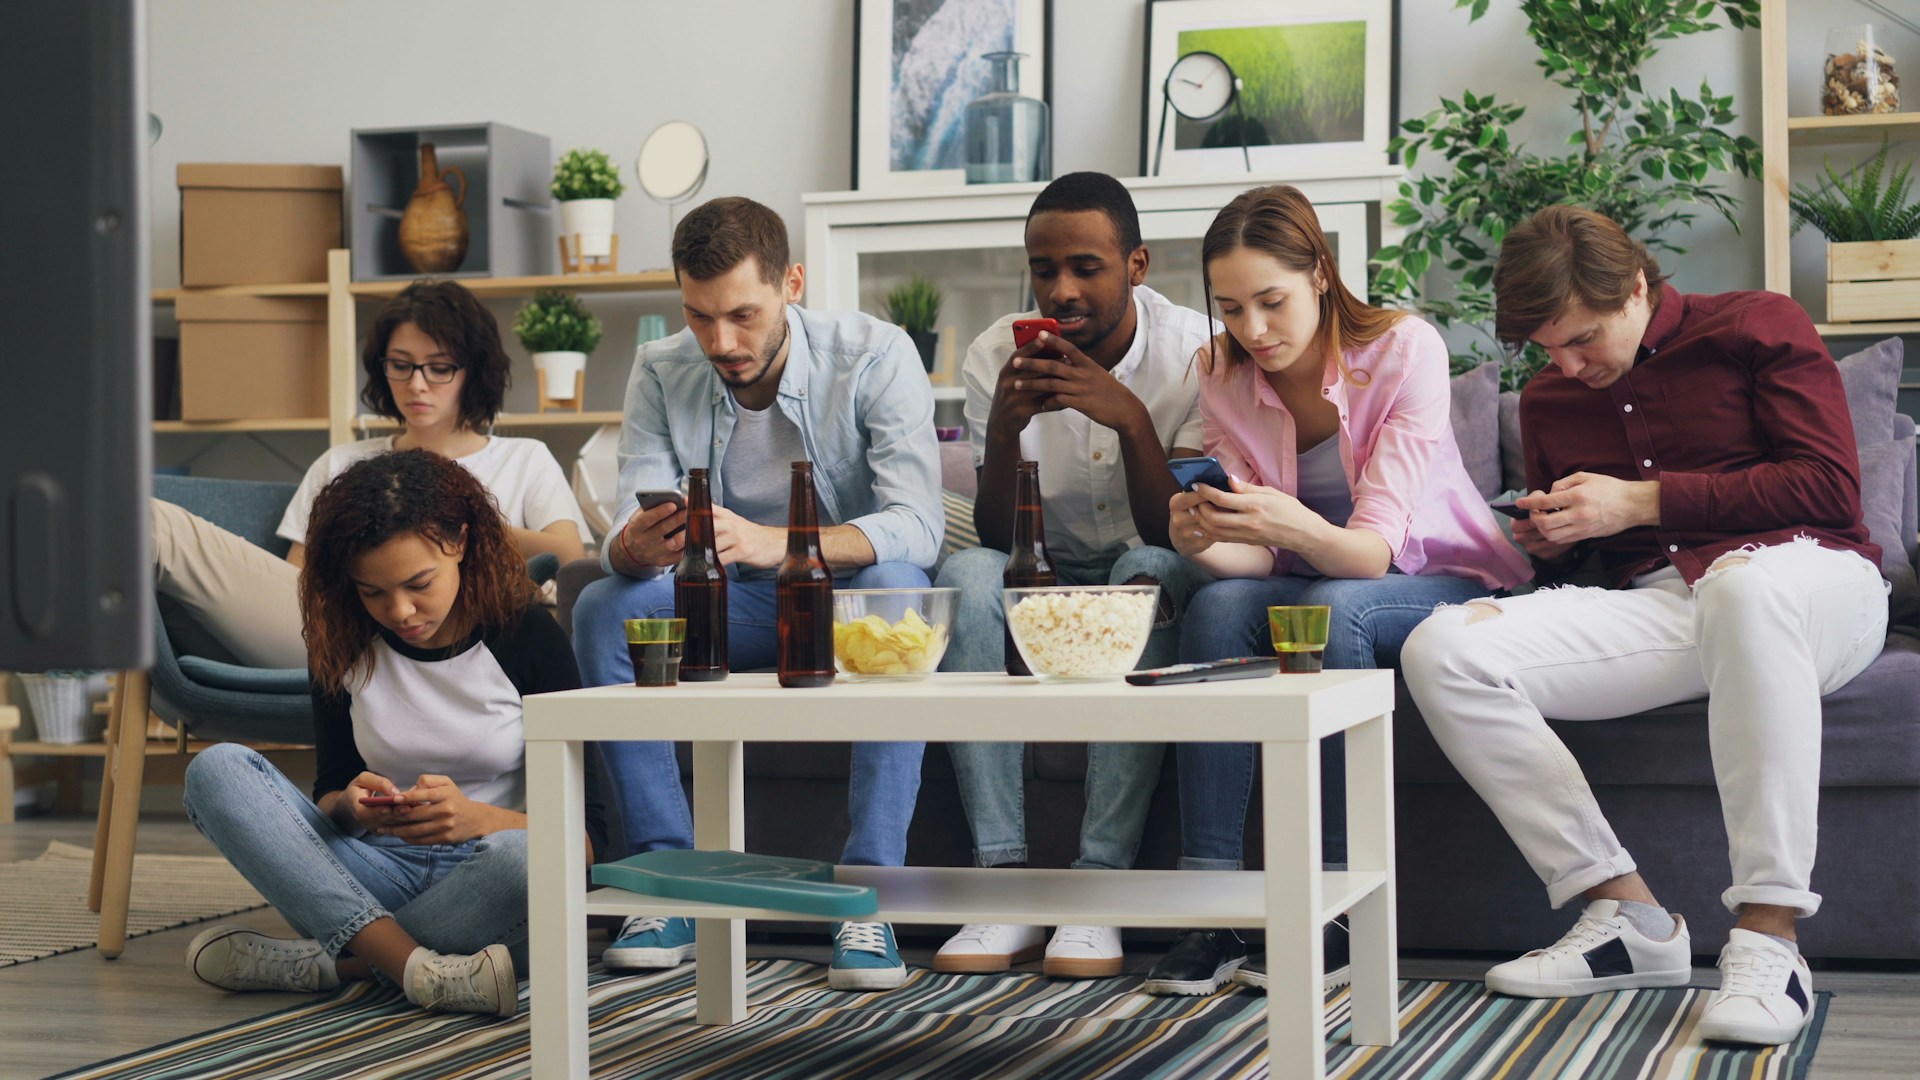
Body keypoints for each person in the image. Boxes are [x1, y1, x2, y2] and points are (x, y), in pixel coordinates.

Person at [1399, 206, 1888, 1046]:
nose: (1565, 365)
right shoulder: (1554, 398)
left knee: (1742, 588)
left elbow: (1828, 490)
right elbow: (1596, 557)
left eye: (1582, 338)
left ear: (1636, 286)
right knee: (1442, 647)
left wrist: (1642, 499)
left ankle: (1772, 942)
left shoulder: (1756, 323)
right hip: (1668, 602)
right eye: (1548, 349)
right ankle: (1627, 917)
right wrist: (1547, 546)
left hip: (1813, 577)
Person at [1146, 184, 1531, 997]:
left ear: (1320, 273)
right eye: (1230, 307)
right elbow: (1259, 562)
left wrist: (1279, 523)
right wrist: (1207, 542)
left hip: (1430, 574)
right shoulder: (1220, 373)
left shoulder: (1403, 350)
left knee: (1331, 609)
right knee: (1215, 604)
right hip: (1307, 572)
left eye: (1271, 301)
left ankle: (1330, 909)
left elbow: (1369, 552)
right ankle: (1210, 906)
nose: (1253, 330)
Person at [571, 196, 943, 992]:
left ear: (793, 285)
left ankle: (865, 898)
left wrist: (784, 546)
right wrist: (629, 546)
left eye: (742, 315)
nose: (721, 342)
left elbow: (919, 525)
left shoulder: (876, 355)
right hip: (723, 606)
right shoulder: (661, 367)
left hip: (840, 608)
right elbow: (637, 510)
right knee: (606, 605)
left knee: (896, 587)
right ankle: (664, 885)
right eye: (699, 317)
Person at [180, 449, 612, 1017]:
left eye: (418, 583)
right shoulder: (342, 642)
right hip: (367, 874)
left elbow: (592, 838)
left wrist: (480, 820)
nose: (400, 610)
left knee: (523, 858)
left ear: (459, 542)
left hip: (488, 885)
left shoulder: (527, 636)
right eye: (372, 592)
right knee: (217, 770)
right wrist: (351, 809)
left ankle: (339, 964)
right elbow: (330, 792)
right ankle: (421, 971)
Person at [930, 172, 1214, 979]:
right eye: (1043, 268)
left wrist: (1124, 415)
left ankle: (1097, 889)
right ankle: (1004, 884)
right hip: (1039, 569)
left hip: (1151, 555)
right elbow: (994, 537)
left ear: (1137, 265)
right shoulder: (995, 355)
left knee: (1147, 568)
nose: (1060, 290)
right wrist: (1001, 433)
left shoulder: (1195, 352)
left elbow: (1181, 531)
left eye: (1086, 267)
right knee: (969, 572)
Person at [151, 280, 590, 670]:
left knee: (152, 523)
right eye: (401, 365)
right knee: (152, 524)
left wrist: (454, 517)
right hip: (338, 631)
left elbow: (568, 559)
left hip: (453, 644)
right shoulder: (341, 462)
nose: (417, 385)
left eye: (439, 368)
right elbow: (302, 582)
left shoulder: (524, 458)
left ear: (473, 373)